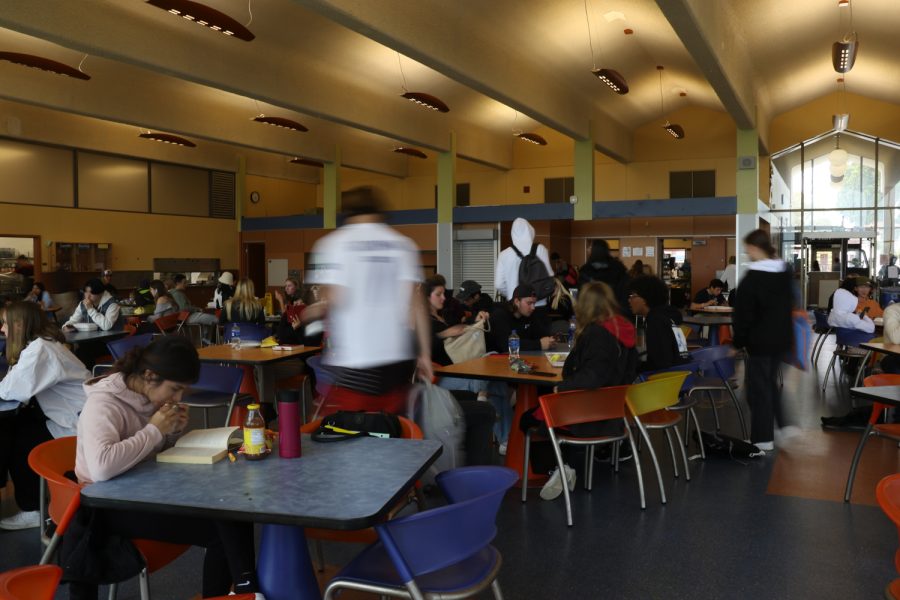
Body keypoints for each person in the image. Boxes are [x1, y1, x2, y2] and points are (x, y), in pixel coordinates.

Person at [72, 336, 263, 599]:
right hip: (106, 504)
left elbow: (149, 453)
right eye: (175, 389)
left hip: (143, 489)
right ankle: (243, 589)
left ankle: (244, 588)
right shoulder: (102, 404)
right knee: (221, 529)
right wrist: (154, 430)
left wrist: (171, 433)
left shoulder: (148, 396)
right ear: (149, 376)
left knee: (232, 509)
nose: (178, 397)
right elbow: (101, 469)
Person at [305, 186, 432, 415]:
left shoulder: (332, 244)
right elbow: (416, 304)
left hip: (355, 362)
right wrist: (424, 354)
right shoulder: (403, 244)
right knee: (392, 431)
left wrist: (315, 310)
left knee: (353, 437)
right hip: (397, 359)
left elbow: (335, 297)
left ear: (346, 211)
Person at [520, 281, 638, 500]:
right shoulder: (624, 329)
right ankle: (565, 465)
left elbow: (591, 377)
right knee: (547, 407)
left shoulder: (596, 334)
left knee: (528, 418)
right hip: (612, 412)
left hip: (588, 413)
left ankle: (558, 468)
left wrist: (559, 387)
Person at [0, 301, 89, 530]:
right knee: (18, 427)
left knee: (20, 441)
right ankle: (33, 500)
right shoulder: (43, 344)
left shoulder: (40, 350)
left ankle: (33, 510)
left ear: (19, 325)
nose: (2, 329)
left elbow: (10, 390)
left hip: (79, 425)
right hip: (78, 416)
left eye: (5, 324)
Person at [423, 276, 497, 465]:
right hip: (442, 376)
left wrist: (474, 320)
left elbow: (460, 334)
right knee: (484, 376)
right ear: (426, 297)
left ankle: (489, 408)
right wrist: (443, 334)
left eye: (443, 294)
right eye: (438, 294)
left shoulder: (444, 315)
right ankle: (487, 405)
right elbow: (427, 346)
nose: (443, 298)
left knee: (491, 367)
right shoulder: (424, 322)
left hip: (455, 369)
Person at [732, 229, 794, 452]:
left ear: (754, 248)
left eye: (747, 247)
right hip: (782, 339)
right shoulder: (784, 272)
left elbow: (743, 314)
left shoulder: (753, 277)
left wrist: (737, 342)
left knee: (757, 389)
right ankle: (783, 425)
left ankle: (762, 438)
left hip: (759, 342)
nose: (747, 252)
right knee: (767, 383)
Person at [627, 275, 690, 372]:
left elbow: (660, 364)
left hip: (667, 379)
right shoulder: (666, 316)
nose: (629, 300)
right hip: (681, 373)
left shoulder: (656, 321)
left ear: (644, 299)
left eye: (632, 296)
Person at [495, 217, 554, 309]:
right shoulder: (541, 249)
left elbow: (499, 284)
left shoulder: (504, 254)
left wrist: (512, 293)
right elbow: (549, 277)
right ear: (530, 231)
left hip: (515, 306)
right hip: (538, 304)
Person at [487, 284, 554, 353]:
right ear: (517, 302)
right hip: (496, 359)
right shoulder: (499, 315)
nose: (533, 307)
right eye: (529, 303)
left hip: (520, 358)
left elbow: (542, 336)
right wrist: (539, 344)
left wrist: (549, 341)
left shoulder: (528, 314)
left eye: (534, 303)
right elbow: (506, 345)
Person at [578, 239, 630, 309]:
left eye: (590, 248)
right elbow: (625, 290)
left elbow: (582, 293)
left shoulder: (586, 269)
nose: (588, 250)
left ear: (594, 250)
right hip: (614, 309)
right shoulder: (618, 267)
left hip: (592, 310)